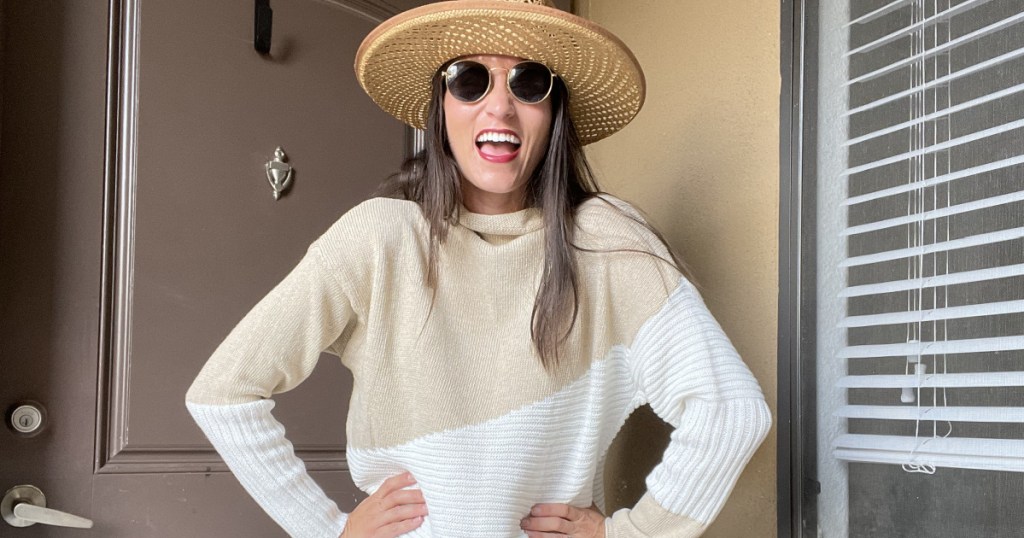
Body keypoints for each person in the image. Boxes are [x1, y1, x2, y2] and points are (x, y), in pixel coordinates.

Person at [185, 0, 772, 537]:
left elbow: (732, 414)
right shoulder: (382, 237)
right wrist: (328, 530)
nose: (499, 105)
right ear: (440, 108)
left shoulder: (605, 241)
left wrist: (630, 534)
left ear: (554, 111)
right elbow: (223, 394)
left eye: (530, 82)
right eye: (468, 81)